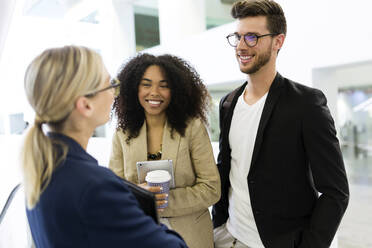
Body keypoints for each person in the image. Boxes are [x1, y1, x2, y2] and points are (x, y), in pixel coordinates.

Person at [212, 1, 349, 247]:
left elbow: (335, 192)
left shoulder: (306, 104)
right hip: (227, 236)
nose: (242, 46)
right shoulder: (228, 103)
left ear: (278, 41)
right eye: (238, 37)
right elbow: (226, 168)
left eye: (252, 37)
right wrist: (217, 225)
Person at [21, 45, 187, 248]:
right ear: (86, 105)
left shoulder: (41, 167)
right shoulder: (95, 187)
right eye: (110, 84)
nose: (114, 94)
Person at [109, 53, 221, 248]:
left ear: (175, 90)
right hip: (140, 237)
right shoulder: (122, 133)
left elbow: (211, 189)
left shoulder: (192, 128)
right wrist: (139, 195)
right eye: (146, 84)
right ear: (134, 88)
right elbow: (114, 189)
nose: (154, 92)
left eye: (164, 85)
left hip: (191, 238)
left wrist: (162, 202)